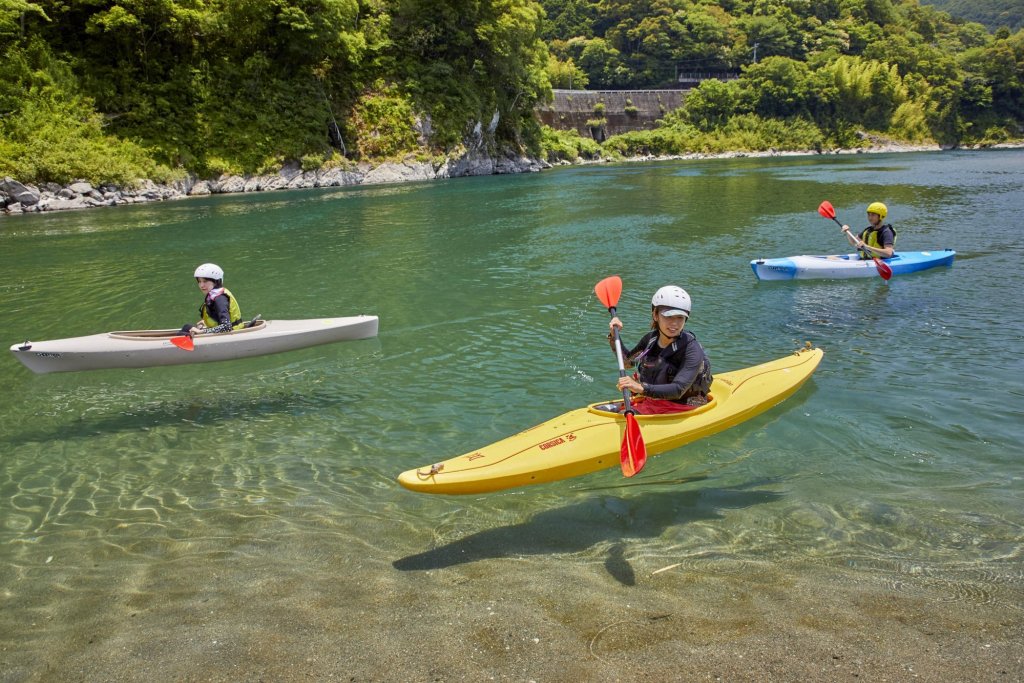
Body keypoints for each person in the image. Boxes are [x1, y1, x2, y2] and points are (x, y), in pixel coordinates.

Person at [602, 285, 713, 415]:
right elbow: (627, 362)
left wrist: (640, 387)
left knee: (621, 417)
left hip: (680, 407)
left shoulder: (691, 349)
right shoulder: (650, 340)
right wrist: (614, 335)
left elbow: (678, 390)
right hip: (653, 400)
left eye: (680, 318)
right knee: (602, 411)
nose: (675, 324)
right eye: (668, 316)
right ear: (655, 315)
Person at [180, 263, 244, 336]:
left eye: (205, 281)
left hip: (231, 334)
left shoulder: (220, 299)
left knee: (182, 335)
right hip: (224, 332)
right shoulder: (214, 295)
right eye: (199, 281)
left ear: (216, 281)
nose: (201, 285)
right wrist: (204, 322)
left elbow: (226, 327)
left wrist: (202, 332)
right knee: (186, 327)